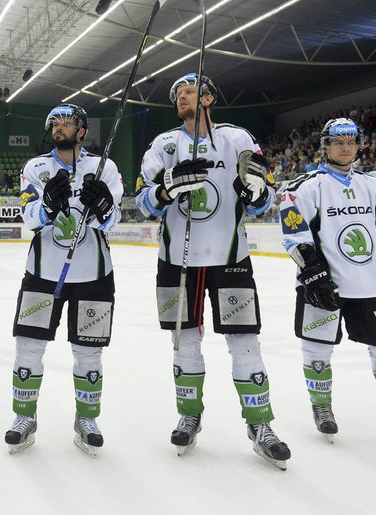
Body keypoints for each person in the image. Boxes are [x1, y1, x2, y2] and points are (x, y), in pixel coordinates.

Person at [135, 73, 292, 469]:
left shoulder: (237, 138)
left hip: (230, 258)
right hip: (177, 262)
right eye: (177, 97)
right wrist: (168, 188)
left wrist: (256, 192)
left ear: (208, 98)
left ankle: (260, 424)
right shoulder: (163, 145)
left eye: (188, 92)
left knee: (245, 343)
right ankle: (190, 414)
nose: (181, 100)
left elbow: (263, 201)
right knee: (184, 343)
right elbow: (143, 203)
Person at [4, 104, 123, 455]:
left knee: (89, 353)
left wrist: (101, 207)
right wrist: (48, 207)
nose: (58, 127)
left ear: (82, 131)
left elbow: (113, 220)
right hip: (43, 273)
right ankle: (24, 417)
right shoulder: (35, 168)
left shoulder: (105, 168)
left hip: (94, 275)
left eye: (66, 122)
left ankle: (86, 418)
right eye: (53, 122)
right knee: (28, 347)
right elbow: (29, 216)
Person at [284, 118, 376, 446]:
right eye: (338, 141)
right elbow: (295, 238)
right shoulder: (303, 188)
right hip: (324, 285)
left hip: (369, 285)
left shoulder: (375, 187)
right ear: (325, 145)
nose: (346, 147)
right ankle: (322, 407)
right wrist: (313, 275)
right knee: (317, 348)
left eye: (351, 141)